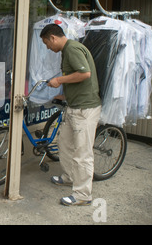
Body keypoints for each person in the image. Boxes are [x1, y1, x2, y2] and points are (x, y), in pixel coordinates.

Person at [40, 23, 101, 206]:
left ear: (53, 37)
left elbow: (84, 74)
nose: (48, 48)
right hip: (74, 106)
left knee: (82, 152)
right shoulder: (67, 50)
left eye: (46, 43)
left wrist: (59, 80)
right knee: (64, 142)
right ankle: (68, 176)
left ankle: (83, 195)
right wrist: (65, 94)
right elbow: (77, 79)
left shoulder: (72, 49)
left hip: (85, 109)